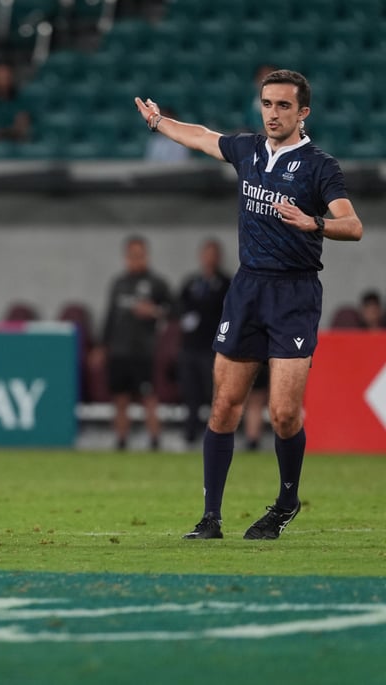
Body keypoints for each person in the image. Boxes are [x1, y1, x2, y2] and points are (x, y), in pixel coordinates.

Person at [135, 68, 363, 540]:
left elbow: (353, 225)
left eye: (284, 106)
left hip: (295, 293)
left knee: (282, 413)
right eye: (267, 104)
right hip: (248, 289)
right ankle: (211, 518)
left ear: (304, 113)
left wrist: (313, 223)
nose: (273, 113)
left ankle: (285, 501)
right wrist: (159, 123)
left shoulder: (321, 166)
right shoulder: (249, 149)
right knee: (224, 407)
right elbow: (201, 138)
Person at [98, 235, 172, 451]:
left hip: (144, 351)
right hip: (119, 351)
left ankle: (155, 441)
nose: (135, 260)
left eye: (139, 255)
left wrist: (155, 311)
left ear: (146, 256)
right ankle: (121, 441)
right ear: (126, 257)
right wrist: (103, 346)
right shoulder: (119, 283)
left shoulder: (156, 284)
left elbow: (174, 311)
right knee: (120, 399)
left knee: (148, 397)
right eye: (132, 255)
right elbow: (110, 317)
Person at [176, 238, 231, 445]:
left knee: (214, 394)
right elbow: (179, 308)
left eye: (213, 254)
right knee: (190, 393)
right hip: (190, 347)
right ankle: (189, 435)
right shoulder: (191, 283)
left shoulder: (226, 283)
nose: (209, 258)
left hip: (214, 348)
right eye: (206, 253)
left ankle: (216, 436)